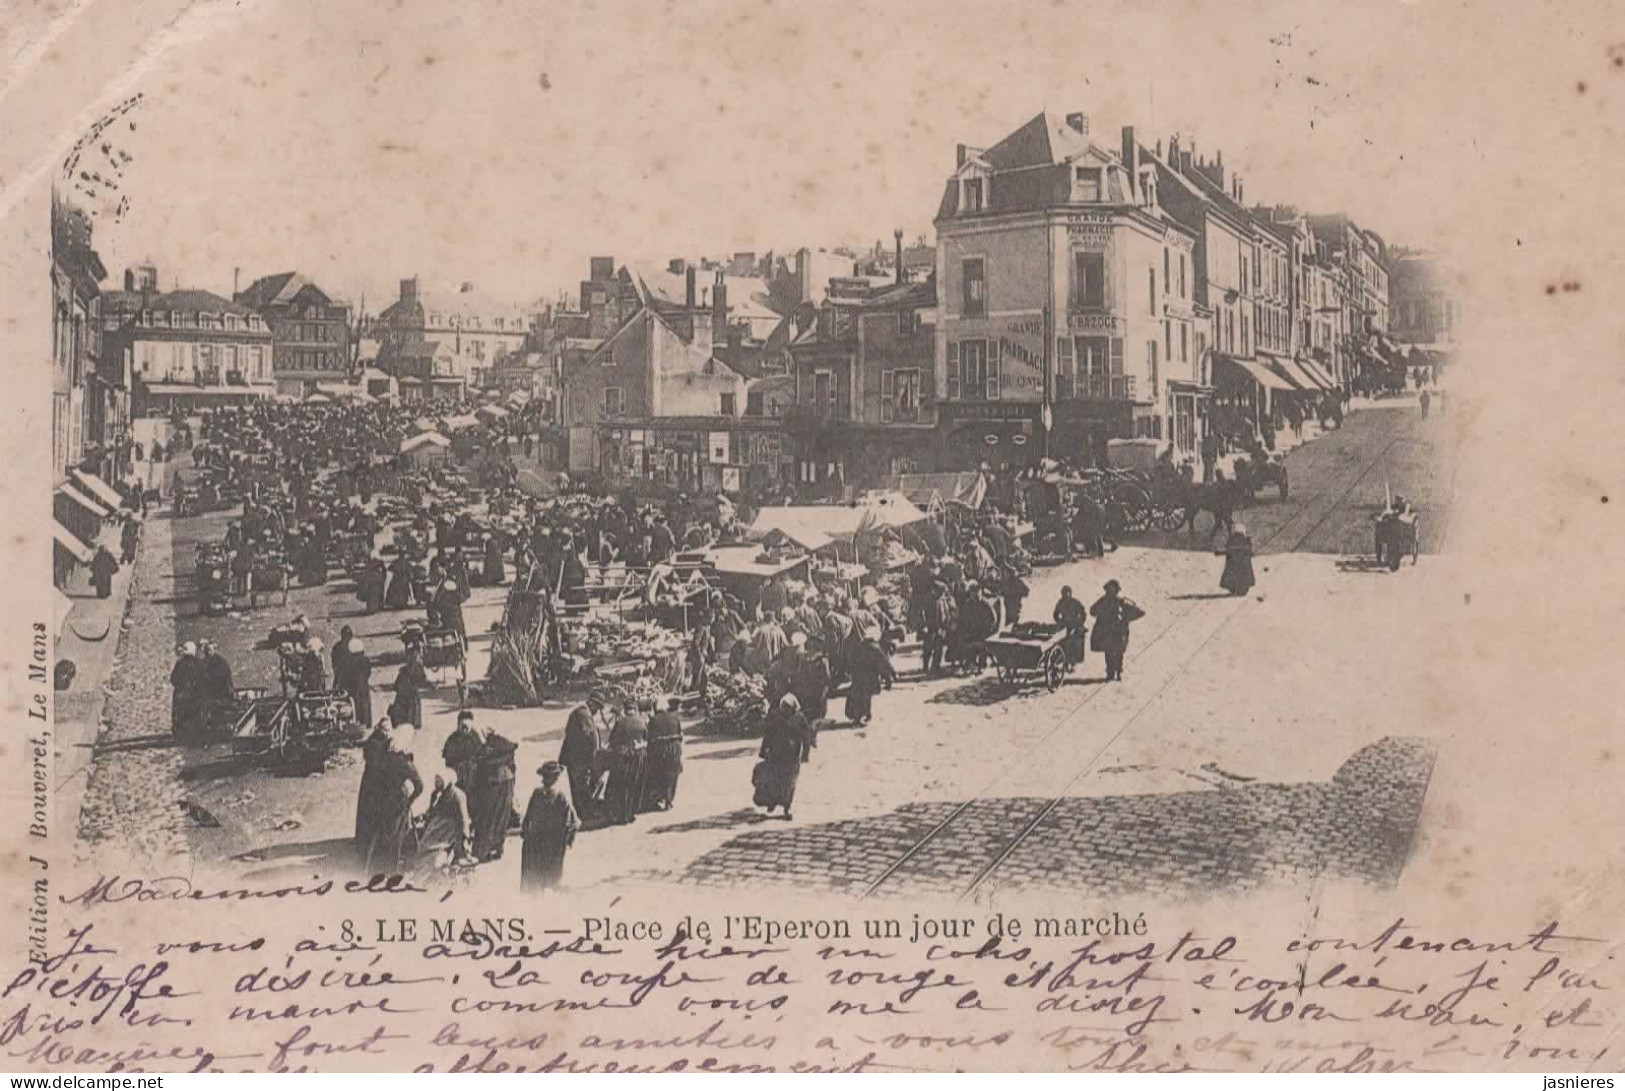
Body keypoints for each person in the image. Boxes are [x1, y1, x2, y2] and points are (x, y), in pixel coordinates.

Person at [359, 725, 423, 874]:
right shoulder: (406, 764)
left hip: (382, 800)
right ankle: (391, 871)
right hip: (398, 803)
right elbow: (419, 786)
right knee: (397, 838)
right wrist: (409, 801)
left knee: (382, 835)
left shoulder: (383, 758)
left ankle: (375, 868)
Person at [521, 762, 579, 891]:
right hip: (551, 842)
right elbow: (574, 822)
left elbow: (527, 819)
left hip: (541, 841)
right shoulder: (558, 796)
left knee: (538, 871)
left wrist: (525, 832)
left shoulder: (541, 794)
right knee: (549, 872)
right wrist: (569, 838)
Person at [754, 694, 812, 819]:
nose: (785, 709)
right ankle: (772, 802)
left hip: (792, 756)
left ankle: (787, 806)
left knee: (789, 783)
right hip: (776, 754)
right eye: (783, 707)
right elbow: (768, 735)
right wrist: (763, 751)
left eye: (788, 707)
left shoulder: (799, 718)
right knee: (774, 779)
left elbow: (806, 737)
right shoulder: (776, 717)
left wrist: (806, 754)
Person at [469, 723, 518, 861]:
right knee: (502, 817)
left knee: (488, 819)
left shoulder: (487, 750)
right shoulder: (504, 744)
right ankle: (498, 848)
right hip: (506, 783)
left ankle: (482, 852)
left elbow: (481, 769)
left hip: (492, 786)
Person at [559, 693, 606, 818]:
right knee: (581, 786)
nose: (597, 711)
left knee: (577, 786)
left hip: (573, 756)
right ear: (592, 703)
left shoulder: (581, 713)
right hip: (577, 758)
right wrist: (595, 753)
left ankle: (582, 812)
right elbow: (589, 735)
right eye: (597, 707)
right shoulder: (583, 715)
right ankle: (584, 813)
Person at [1089, 579, 1145, 683]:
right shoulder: (1103, 601)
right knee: (1109, 652)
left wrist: (1126, 618)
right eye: (1109, 590)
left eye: (1112, 590)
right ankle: (1110, 673)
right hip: (1107, 632)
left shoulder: (1122, 602)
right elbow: (1092, 611)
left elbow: (1139, 612)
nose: (1110, 592)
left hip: (1119, 632)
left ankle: (1118, 672)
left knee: (1118, 653)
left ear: (1116, 591)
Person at [605, 700, 649, 825]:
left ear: (625, 710)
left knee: (623, 786)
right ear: (634, 709)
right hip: (638, 758)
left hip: (623, 758)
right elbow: (646, 738)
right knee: (634, 784)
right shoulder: (642, 721)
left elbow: (612, 740)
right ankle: (631, 813)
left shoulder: (620, 722)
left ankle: (623, 815)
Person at [420, 773, 474, 869]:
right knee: (425, 843)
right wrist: (425, 817)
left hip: (450, 827)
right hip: (437, 824)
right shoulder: (436, 794)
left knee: (436, 847)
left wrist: (466, 837)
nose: (436, 783)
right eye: (435, 780)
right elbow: (431, 811)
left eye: (439, 780)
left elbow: (464, 817)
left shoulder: (458, 794)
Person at [642, 697, 684, 812]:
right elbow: (680, 734)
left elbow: (649, 738)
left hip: (661, 750)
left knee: (659, 774)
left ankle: (659, 799)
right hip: (675, 749)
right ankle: (669, 800)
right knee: (672, 774)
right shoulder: (675, 717)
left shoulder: (654, 720)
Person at [845, 630, 895, 726]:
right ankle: (863, 715)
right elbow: (884, 662)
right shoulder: (875, 648)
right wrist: (892, 673)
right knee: (867, 697)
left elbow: (850, 659)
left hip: (858, 676)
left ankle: (861, 715)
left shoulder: (858, 646)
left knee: (859, 696)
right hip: (870, 678)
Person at [169, 642, 206, 743]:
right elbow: (203, 680)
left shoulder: (180, 663)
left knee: (179, 716)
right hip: (194, 696)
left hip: (181, 695)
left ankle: (179, 734)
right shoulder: (199, 664)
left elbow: (173, 679)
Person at [441, 710, 482, 789]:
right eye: (462, 726)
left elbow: (480, 755)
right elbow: (448, 762)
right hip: (457, 775)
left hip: (472, 775)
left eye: (467, 727)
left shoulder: (475, 737)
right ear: (458, 725)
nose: (464, 730)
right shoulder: (452, 739)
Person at [390, 645, 427, 730]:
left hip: (402, 697)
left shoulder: (403, 671)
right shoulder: (419, 668)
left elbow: (396, 686)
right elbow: (422, 680)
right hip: (413, 696)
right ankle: (414, 724)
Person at [1053, 585, 1087, 670]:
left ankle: (1072, 662)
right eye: (1064, 593)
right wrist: (1059, 621)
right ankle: (1063, 660)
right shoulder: (1060, 603)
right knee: (1062, 642)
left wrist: (1079, 622)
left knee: (1074, 643)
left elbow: (1083, 614)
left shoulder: (1075, 602)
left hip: (1075, 625)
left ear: (1070, 593)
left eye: (1067, 593)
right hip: (1064, 625)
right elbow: (1055, 613)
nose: (1065, 595)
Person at [1219, 520, 1256, 597]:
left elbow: (1228, 549)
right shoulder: (1246, 541)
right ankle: (1241, 588)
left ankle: (1234, 588)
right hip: (1244, 571)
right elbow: (1250, 551)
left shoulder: (1231, 540)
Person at [342, 637, 374, 727]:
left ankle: (357, 722)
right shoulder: (365, 659)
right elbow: (368, 672)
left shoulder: (349, 661)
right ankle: (367, 722)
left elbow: (346, 674)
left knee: (356, 704)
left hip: (353, 686)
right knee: (365, 704)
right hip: (363, 685)